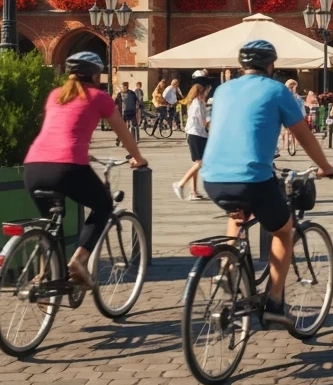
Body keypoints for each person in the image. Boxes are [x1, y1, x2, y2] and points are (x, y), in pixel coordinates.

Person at [200, 39, 333, 328]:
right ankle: (274, 302)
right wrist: (325, 167)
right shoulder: (277, 90)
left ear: (241, 66)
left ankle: (225, 266)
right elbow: (303, 135)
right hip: (252, 178)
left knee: (237, 214)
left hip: (212, 177)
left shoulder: (223, 89)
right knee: (283, 230)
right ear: (272, 65)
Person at [23, 52, 148, 287]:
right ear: (93, 74)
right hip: (67, 166)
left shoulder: (54, 95)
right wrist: (139, 158)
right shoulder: (98, 97)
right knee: (103, 205)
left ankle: (46, 278)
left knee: (51, 223)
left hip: (33, 166)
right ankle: (79, 260)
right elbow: (125, 134)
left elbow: (58, 130)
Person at [174, 83, 209, 201]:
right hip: (196, 134)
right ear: (200, 93)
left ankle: (194, 191)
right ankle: (181, 184)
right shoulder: (197, 104)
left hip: (197, 134)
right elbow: (203, 122)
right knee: (200, 163)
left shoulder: (195, 103)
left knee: (197, 163)